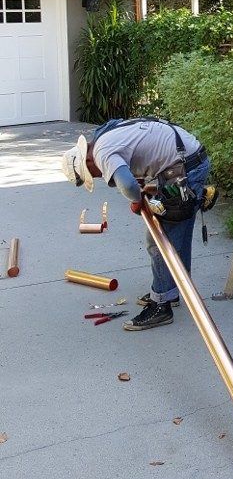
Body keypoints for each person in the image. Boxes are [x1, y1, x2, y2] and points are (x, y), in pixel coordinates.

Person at [61, 118, 212, 331]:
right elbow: (139, 152)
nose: (99, 177)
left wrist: (136, 199)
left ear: (87, 161)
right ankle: (173, 289)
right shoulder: (104, 136)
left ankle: (161, 306)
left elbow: (129, 185)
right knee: (178, 236)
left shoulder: (101, 155)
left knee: (159, 241)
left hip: (184, 169)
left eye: (92, 175)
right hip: (187, 159)